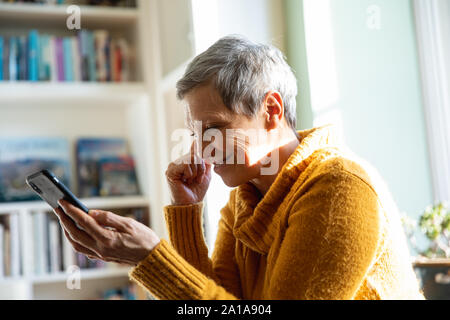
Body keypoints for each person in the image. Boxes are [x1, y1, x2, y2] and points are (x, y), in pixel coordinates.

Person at [55, 35, 424, 300]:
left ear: (271, 111)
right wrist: (186, 212)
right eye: (195, 134)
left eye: (214, 129)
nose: (201, 149)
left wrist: (152, 258)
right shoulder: (245, 201)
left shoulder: (339, 188)